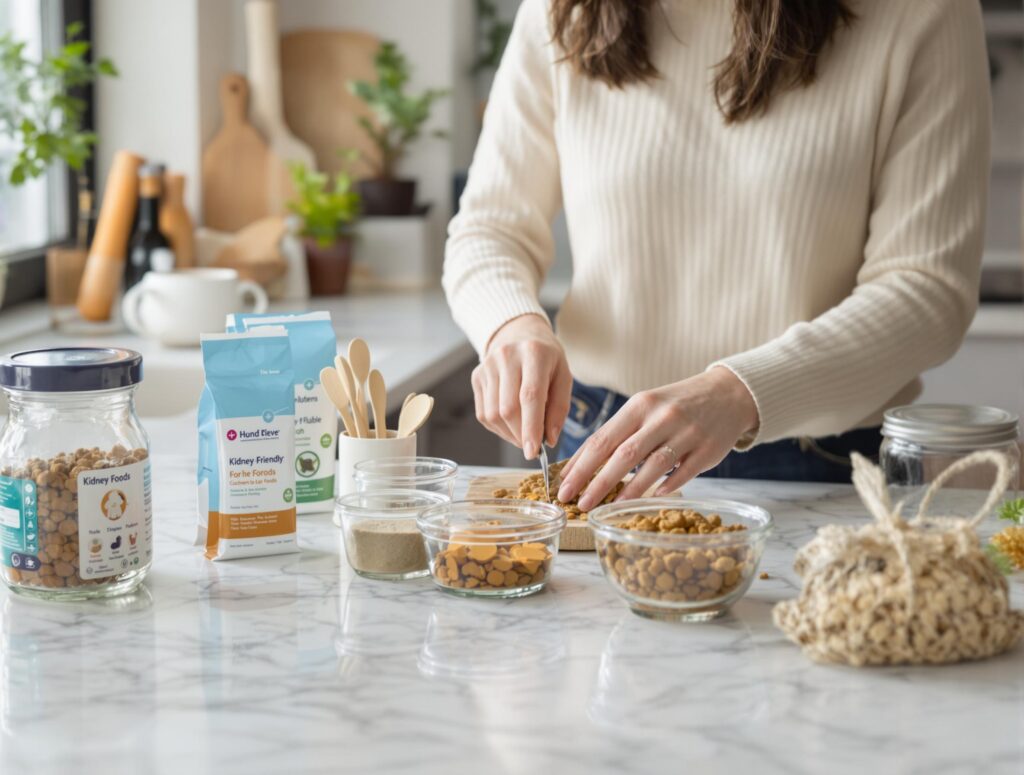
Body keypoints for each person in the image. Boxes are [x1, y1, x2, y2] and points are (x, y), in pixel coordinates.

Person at [443, 0, 990, 512]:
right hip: (598, 442)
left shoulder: (924, 12)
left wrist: (741, 392)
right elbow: (490, 227)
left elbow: (927, 289)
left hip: (817, 467)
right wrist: (511, 327)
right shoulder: (562, 9)